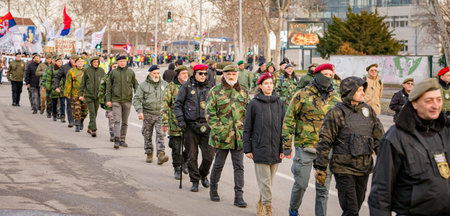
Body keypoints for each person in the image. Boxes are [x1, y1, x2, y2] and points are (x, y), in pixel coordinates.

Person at [368, 78, 450, 216]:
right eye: (429, 101)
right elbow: (381, 192)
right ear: (415, 104)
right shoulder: (395, 138)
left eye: (438, 100)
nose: (436, 105)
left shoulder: (446, 131)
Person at [314, 76, 384, 216]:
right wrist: (321, 167)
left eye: (363, 90)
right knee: (351, 210)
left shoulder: (368, 111)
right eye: (359, 90)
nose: (363, 93)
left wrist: (386, 162)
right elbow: (325, 140)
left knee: (356, 207)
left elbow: (379, 138)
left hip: (363, 168)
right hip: (343, 168)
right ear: (349, 93)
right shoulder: (336, 113)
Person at [282, 63, 341, 216]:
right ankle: (293, 210)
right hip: (305, 147)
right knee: (301, 184)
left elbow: (341, 124)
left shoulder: (336, 98)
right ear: (317, 74)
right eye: (326, 74)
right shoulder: (302, 95)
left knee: (323, 189)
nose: (328, 78)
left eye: (331, 75)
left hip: (326, 150)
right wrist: (286, 146)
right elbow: (289, 120)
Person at [206, 65, 249, 207]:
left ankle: (239, 196)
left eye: (233, 74)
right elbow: (210, 113)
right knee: (219, 164)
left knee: (239, 166)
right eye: (229, 74)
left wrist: (246, 131)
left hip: (238, 136)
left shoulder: (243, 91)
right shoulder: (215, 91)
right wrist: (219, 129)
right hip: (221, 136)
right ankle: (213, 189)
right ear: (223, 75)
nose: (231, 76)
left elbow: (248, 113)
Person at [243, 72, 285, 216]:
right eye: (266, 83)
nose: (269, 86)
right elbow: (247, 127)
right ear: (260, 86)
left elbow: (284, 127)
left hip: (275, 148)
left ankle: (260, 204)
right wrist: (247, 148)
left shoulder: (279, 102)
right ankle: (268, 209)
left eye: (271, 83)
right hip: (259, 148)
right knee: (265, 181)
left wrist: (283, 148)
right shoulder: (254, 103)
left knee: (268, 182)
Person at [174, 64, 214, 192]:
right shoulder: (186, 86)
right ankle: (195, 180)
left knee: (209, 156)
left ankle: (203, 175)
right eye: (200, 74)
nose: (203, 76)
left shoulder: (211, 87)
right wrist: (180, 120)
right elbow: (178, 104)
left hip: (207, 126)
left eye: (205, 74)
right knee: (192, 156)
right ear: (195, 74)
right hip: (190, 126)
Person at [133, 65, 169, 164]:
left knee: (161, 134)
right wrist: (139, 111)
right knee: (147, 134)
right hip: (147, 113)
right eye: (154, 73)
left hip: (160, 114)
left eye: (158, 73)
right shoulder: (143, 85)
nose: (157, 75)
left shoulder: (165, 85)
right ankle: (149, 153)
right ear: (150, 74)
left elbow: (170, 99)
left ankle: (161, 155)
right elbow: (136, 99)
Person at [161, 65, 190, 179]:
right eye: (183, 73)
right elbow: (164, 106)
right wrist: (164, 122)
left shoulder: (190, 86)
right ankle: (177, 168)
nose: (185, 75)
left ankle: (185, 161)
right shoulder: (171, 88)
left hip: (189, 124)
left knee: (190, 147)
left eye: (186, 73)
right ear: (177, 75)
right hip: (175, 123)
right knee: (176, 148)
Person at [106, 56, 138, 149]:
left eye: (124, 61)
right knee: (117, 120)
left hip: (127, 100)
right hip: (116, 100)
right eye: (120, 61)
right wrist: (108, 100)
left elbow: (136, 86)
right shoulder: (113, 73)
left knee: (125, 122)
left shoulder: (131, 72)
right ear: (118, 62)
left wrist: (138, 97)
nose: (122, 63)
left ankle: (122, 140)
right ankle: (116, 139)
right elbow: (109, 87)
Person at [79, 57, 106, 137]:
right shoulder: (87, 70)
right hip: (89, 95)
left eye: (97, 62)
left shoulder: (101, 71)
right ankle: (94, 129)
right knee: (92, 113)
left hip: (98, 96)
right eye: (94, 62)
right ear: (91, 63)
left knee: (95, 113)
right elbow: (82, 83)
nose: (96, 64)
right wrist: (80, 94)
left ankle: (90, 128)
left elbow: (105, 83)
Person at [64, 57, 88, 132]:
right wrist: (67, 93)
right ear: (76, 63)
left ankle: (81, 121)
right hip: (75, 93)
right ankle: (77, 124)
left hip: (85, 94)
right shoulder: (71, 71)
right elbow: (68, 83)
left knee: (85, 111)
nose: (80, 63)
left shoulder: (87, 71)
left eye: (82, 61)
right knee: (76, 109)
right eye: (79, 61)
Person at [55, 55, 78, 126]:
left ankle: (78, 121)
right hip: (69, 90)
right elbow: (57, 77)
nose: (74, 61)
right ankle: (71, 121)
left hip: (78, 90)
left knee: (79, 106)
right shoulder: (64, 67)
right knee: (70, 105)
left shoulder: (80, 67)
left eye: (75, 59)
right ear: (70, 59)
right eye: (73, 59)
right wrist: (56, 86)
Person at [99, 62, 118, 142]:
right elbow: (101, 89)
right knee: (111, 118)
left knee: (118, 119)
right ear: (111, 68)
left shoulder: (122, 76)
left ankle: (118, 134)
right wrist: (102, 101)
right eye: (114, 67)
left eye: (117, 67)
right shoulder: (106, 77)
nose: (116, 68)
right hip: (109, 101)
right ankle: (112, 133)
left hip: (119, 101)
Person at [46, 57, 64, 121]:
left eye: (61, 61)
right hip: (54, 87)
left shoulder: (64, 69)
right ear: (55, 62)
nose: (60, 63)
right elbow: (48, 79)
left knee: (62, 102)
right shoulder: (52, 69)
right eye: (58, 61)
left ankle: (62, 115)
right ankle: (54, 114)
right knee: (54, 102)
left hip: (62, 88)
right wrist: (48, 87)